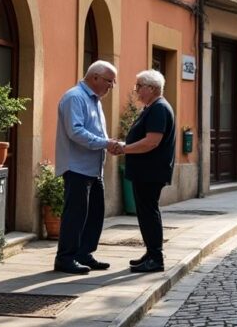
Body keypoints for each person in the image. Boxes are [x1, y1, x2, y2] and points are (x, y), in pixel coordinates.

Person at [54, 60, 121, 274]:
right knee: (75, 215)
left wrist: (106, 142)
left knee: (94, 214)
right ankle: (65, 258)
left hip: (93, 168)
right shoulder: (75, 97)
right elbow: (76, 132)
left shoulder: (94, 100)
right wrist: (106, 143)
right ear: (94, 78)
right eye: (109, 82)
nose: (111, 87)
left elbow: (93, 132)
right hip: (76, 167)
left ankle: (84, 254)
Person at [113, 69, 176, 273]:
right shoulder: (153, 107)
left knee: (148, 212)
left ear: (152, 88)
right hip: (146, 171)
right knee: (146, 212)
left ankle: (156, 257)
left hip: (150, 171)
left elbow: (151, 142)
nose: (136, 90)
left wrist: (125, 148)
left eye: (139, 86)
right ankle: (151, 253)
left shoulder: (158, 108)